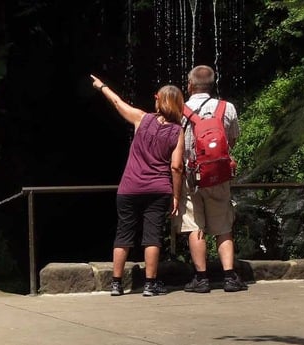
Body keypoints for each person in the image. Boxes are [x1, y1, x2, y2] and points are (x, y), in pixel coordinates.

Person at [91, 74, 185, 297]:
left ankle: (116, 284)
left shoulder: (142, 119)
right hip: (158, 189)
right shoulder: (177, 131)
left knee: (123, 235)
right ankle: (150, 285)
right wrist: (176, 195)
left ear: (158, 100)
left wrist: (101, 86)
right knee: (152, 237)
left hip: (129, 187)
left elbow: (117, 102)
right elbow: (177, 167)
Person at [176, 65, 246, 292]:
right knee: (223, 226)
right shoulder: (227, 108)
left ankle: (202, 278)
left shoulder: (180, 109)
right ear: (212, 84)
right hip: (219, 176)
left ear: (189, 85)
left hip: (190, 177)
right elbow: (232, 141)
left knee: (195, 226)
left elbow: (175, 147)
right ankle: (229, 277)